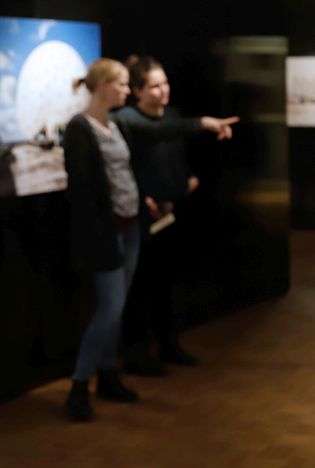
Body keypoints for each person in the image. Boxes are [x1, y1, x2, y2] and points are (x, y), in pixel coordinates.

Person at [62, 58, 237, 421]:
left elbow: (160, 131)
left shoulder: (115, 123)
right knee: (109, 310)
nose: (128, 91)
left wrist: (202, 123)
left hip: (129, 228)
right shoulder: (81, 129)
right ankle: (79, 387)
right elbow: (82, 194)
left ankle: (109, 376)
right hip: (107, 234)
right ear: (104, 86)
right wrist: (103, 236)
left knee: (118, 307)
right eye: (123, 84)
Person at [116, 55, 201, 376]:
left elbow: (178, 158)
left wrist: (187, 180)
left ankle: (168, 345)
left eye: (164, 83)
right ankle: (136, 353)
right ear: (137, 90)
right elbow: (122, 170)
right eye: (154, 86)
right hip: (139, 217)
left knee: (164, 284)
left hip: (171, 213)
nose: (163, 90)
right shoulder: (126, 121)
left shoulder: (174, 116)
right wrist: (143, 199)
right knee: (138, 286)